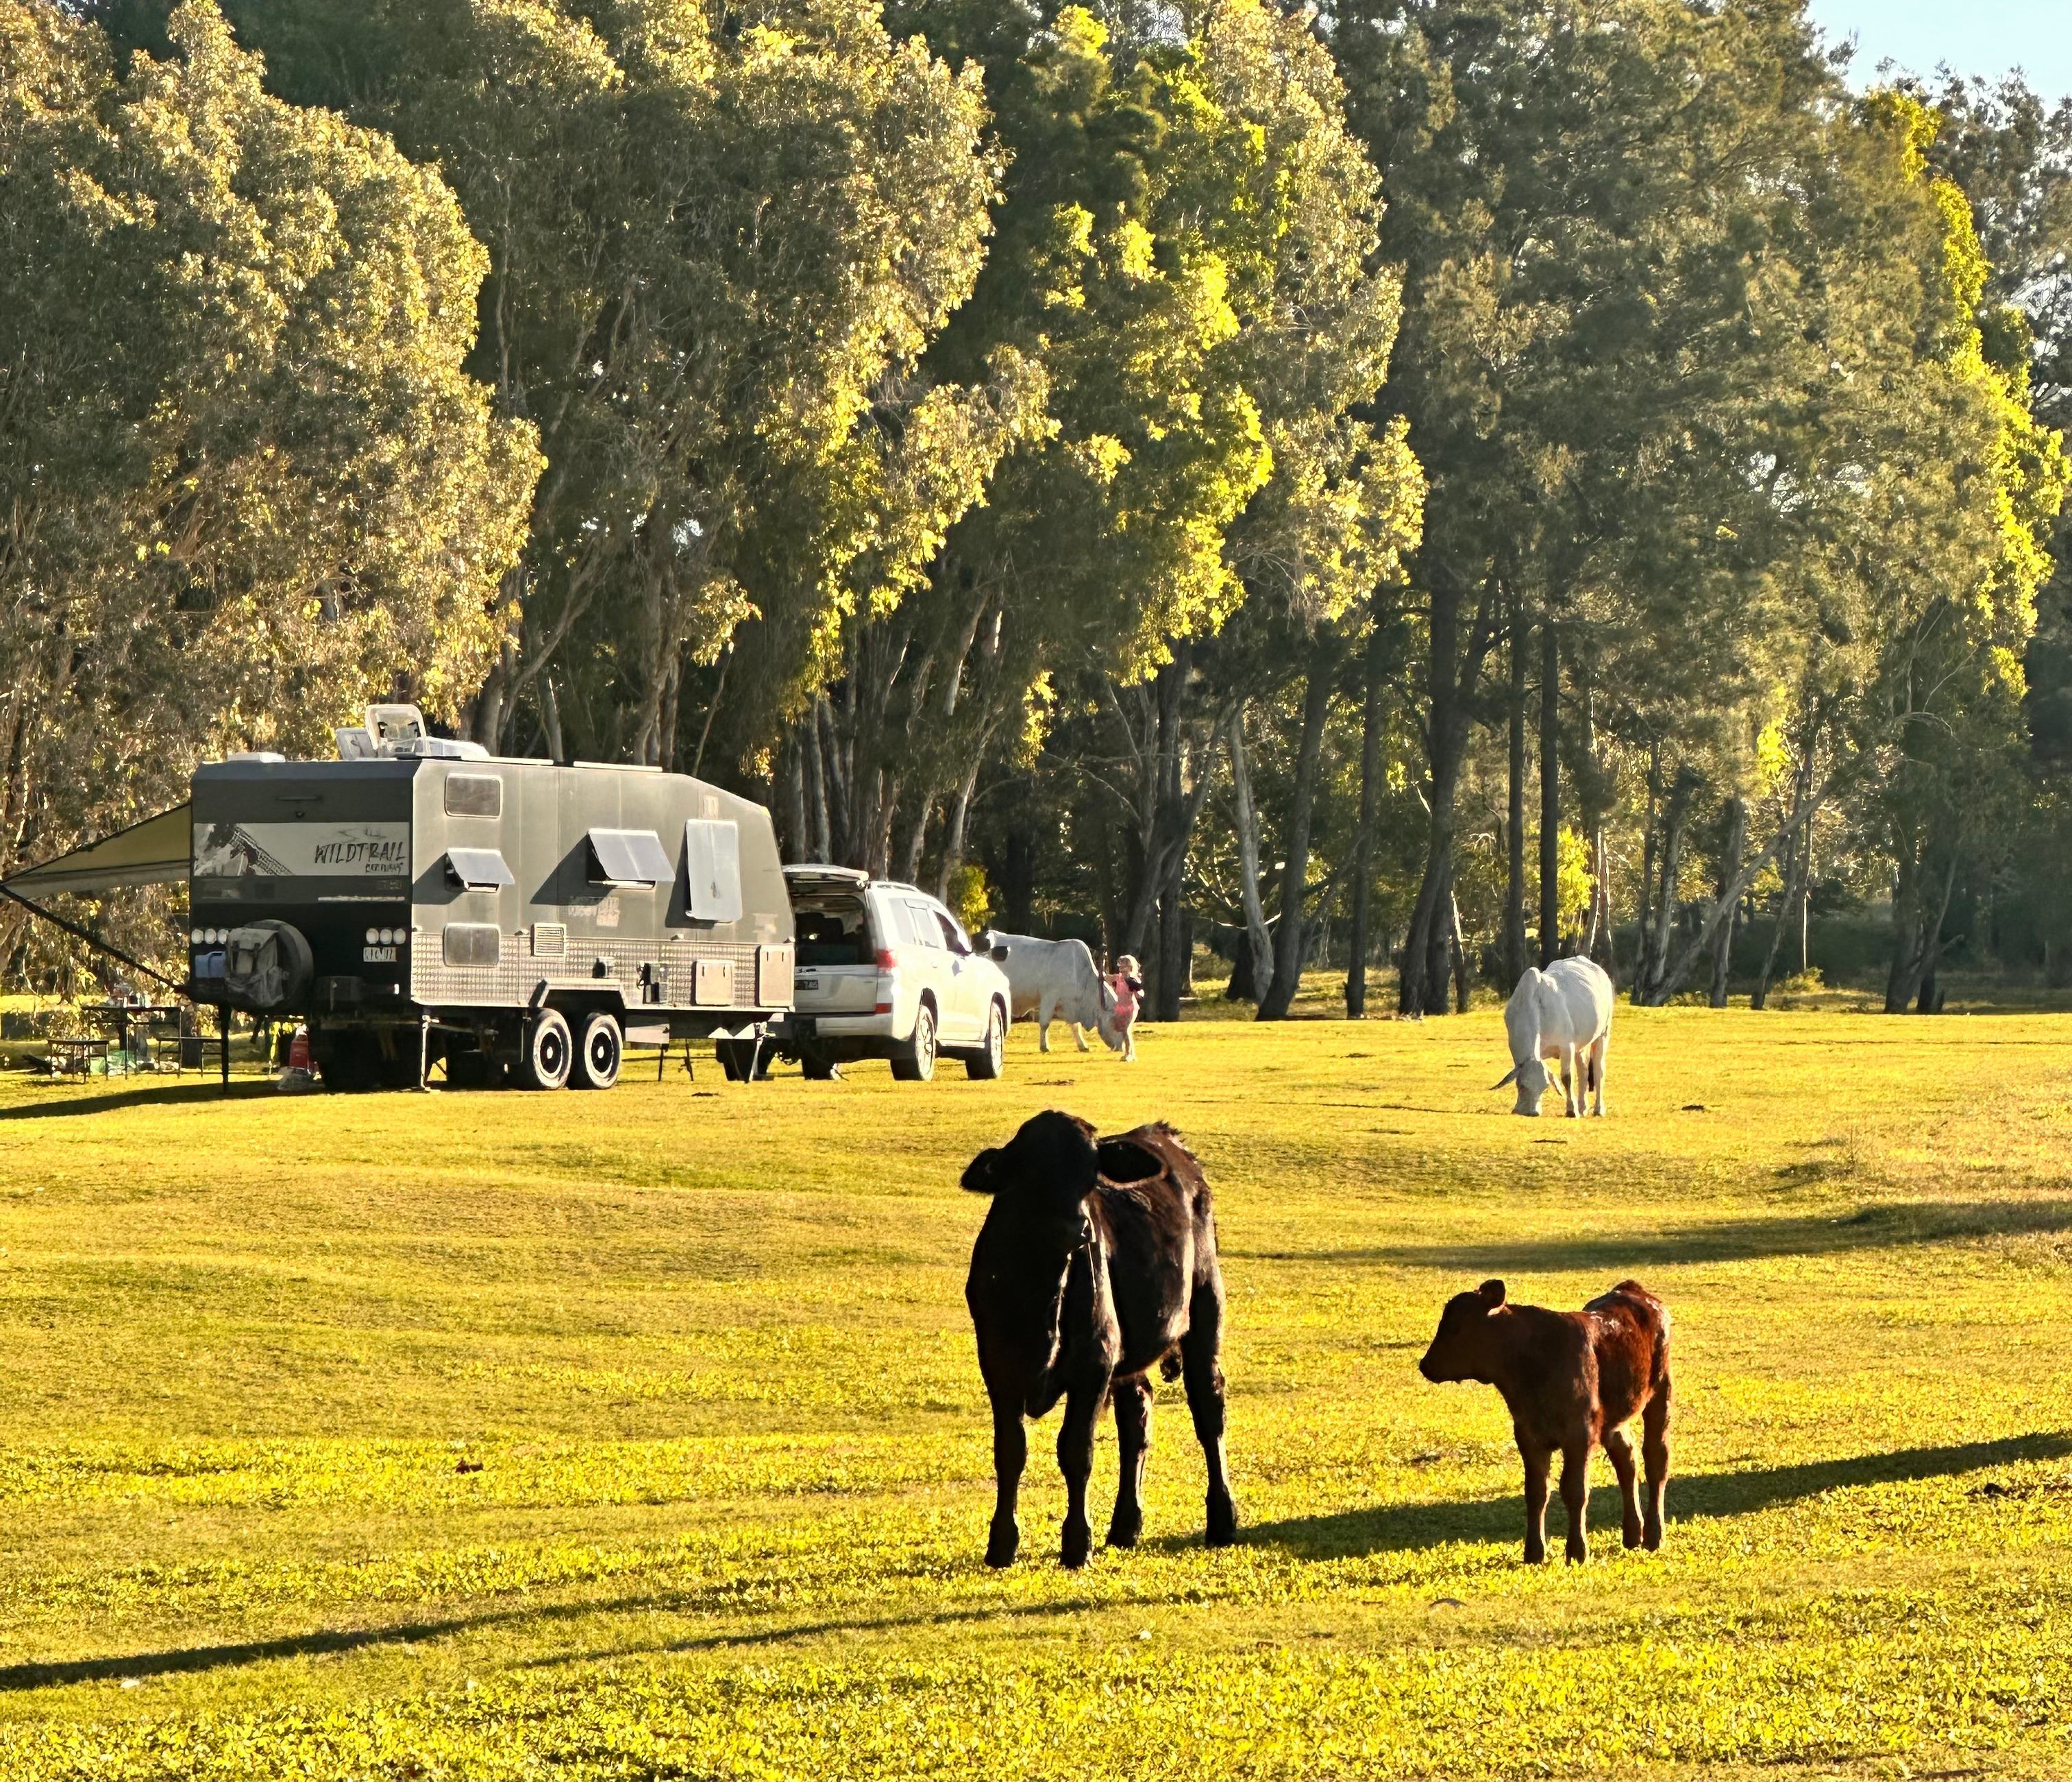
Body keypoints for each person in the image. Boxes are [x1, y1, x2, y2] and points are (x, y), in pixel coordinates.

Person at [1108, 953, 1143, 1062]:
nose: (1122, 969)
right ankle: (1131, 1053)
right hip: (1120, 1008)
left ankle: (1128, 1054)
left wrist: (1139, 994)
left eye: (1125, 967)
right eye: (1120, 967)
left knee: (1126, 1030)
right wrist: (1102, 962)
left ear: (1131, 968)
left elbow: (1140, 991)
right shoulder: (1117, 979)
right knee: (1122, 1031)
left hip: (1130, 1008)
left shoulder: (1132, 980)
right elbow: (1105, 977)